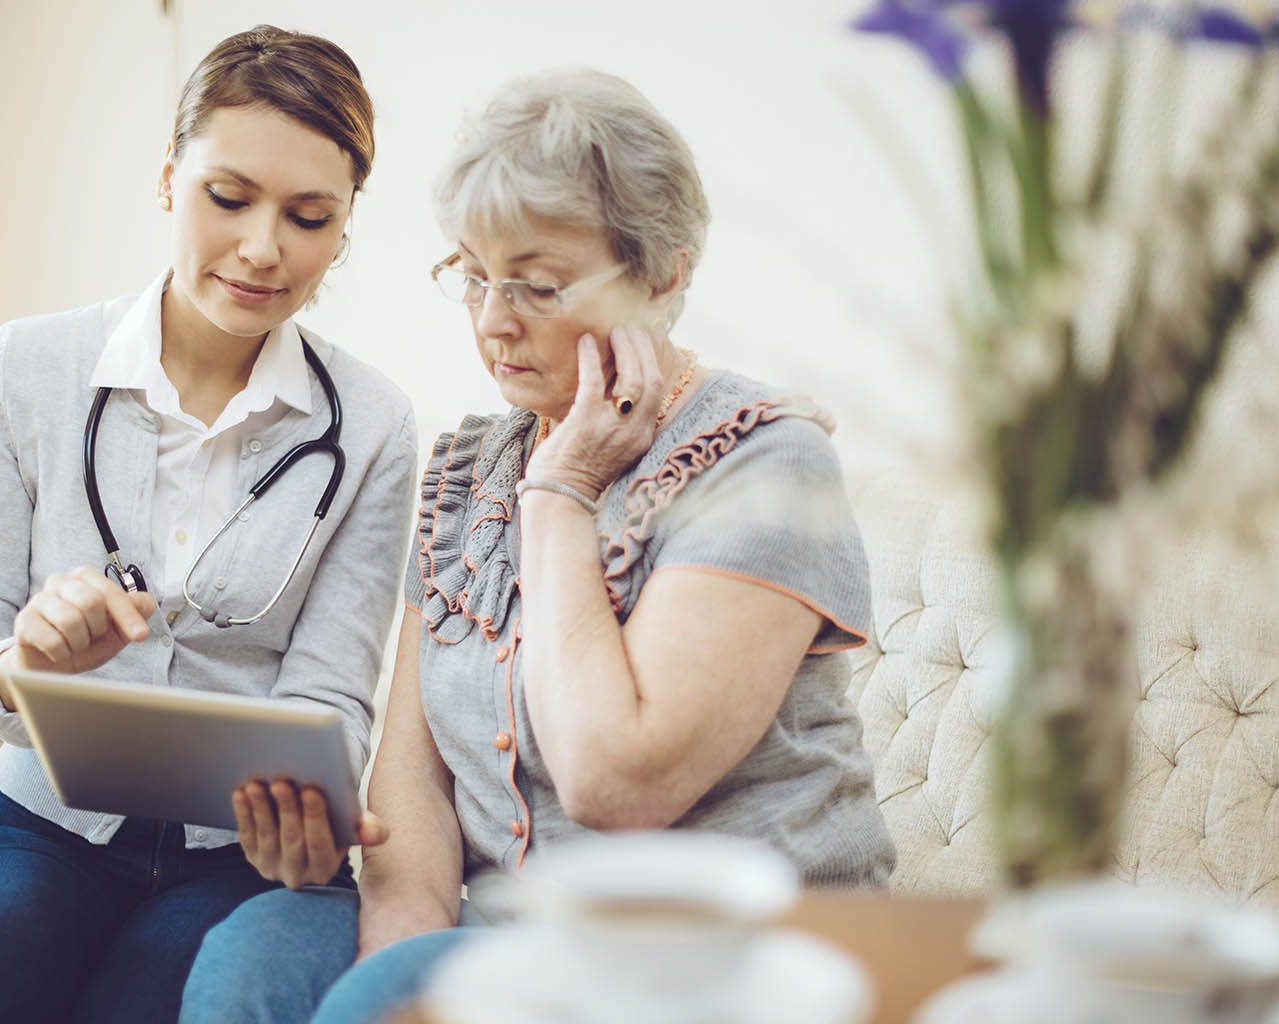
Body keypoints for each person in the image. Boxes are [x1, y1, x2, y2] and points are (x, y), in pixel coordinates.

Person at [182, 66, 896, 1024]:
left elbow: (615, 781)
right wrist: (405, 967)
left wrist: (561, 493)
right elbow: (415, 787)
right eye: (472, 275)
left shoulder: (766, 463)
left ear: (664, 272)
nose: (491, 320)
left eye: (538, 286)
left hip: (722, 958)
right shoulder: (469, 467)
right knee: (252, 956)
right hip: (508, 937)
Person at [0, 26, 416, 1024]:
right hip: (32, 825)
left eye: (309, 217)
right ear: (170, 179)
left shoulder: (374, 424)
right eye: (230, 198)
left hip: (232, 863)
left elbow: (333, 705)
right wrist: (16, 668)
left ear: (343, 230)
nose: (265, 248)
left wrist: (311, 813)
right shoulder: (19, 372)